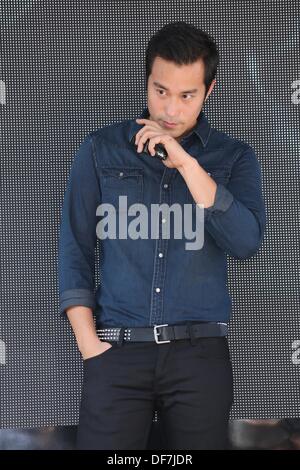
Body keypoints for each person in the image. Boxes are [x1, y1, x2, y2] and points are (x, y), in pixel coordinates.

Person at [58, 21, 266, 450]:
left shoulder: (234, 157)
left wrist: (188, 164)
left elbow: (246, 243)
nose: (170, 109)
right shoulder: (101, 149)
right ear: (147, 81)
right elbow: (75, 247)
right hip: (116, 353)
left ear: (209, 92)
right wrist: (88, 344)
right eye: (160, 91)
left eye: (186, 95)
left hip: (199, 355)